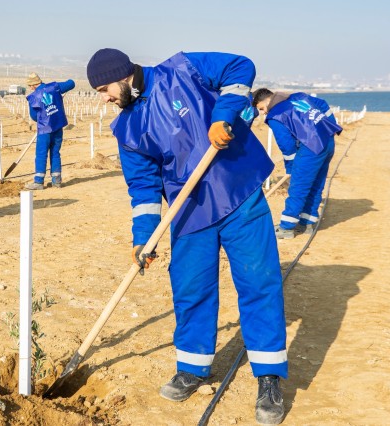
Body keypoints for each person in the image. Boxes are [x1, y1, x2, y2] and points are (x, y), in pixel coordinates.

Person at [86, 49, 287, 425]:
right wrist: (144, 237)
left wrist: (223, 116)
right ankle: (193, 367)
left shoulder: (183, 70)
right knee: (191, 288)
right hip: (189, 209)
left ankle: (269, 377)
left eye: (104, 89)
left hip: (238, 191)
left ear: (124, 75)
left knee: (259, 282)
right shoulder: (126, 128)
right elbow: (143, 187)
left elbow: (240, 66)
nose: (105, 98)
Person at [252, 89, 342, 239]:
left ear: (268, 100)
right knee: (316, 184)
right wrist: (329, 128)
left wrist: (291, 167)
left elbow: (287, 146)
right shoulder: (299, 97)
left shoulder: (275, 115)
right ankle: (307, 223)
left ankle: (287, 227)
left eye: (261, 108)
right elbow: (324, 106)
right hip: (327, 142)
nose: (262, 113)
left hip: (310, 147)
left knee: (298, 187)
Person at [24, 72, 75, 190]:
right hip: (57, 126)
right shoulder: (54, 87)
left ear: (32, 86)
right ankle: (56, 181)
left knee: (41, 154)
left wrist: (44, 113)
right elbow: (71, 83)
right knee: (55, 152)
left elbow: (34, 117)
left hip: (44, 129)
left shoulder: (33, 97)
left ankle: (38, 182)